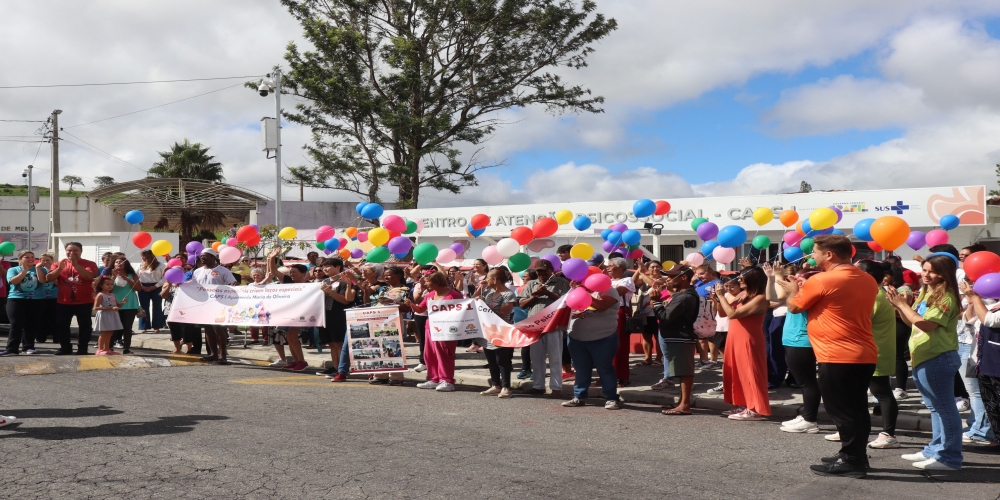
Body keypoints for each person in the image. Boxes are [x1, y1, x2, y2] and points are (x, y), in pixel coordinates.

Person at [779, 234, 878, 478]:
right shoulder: (866, 278)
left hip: (838, 354)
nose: (812, 256)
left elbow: (793, 306)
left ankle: (852, 461)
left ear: (829, 255)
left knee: (842, 412)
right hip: (863, 352)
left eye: (814, 251)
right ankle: (854, 455)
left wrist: (793, 289)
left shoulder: (823, 279)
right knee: (857, 409)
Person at [886, 254, 963, 471]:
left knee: (945, 409)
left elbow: (927, 325)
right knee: (935, 408)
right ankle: (935, 450)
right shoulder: (928, 292)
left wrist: (903, 305)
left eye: (931, 271)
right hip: (924, 355)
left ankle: (949, 457)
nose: (926, 275)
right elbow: (912, 322)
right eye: (924, 269)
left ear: (944, 273)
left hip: (938, 356)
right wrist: (899, 306)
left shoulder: (946, 296)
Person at [766, 263, 820, 434]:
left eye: (800, 278)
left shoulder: (808, 295)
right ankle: (806, 415)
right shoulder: (800, 293)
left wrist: (780, 278)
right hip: (793, 340)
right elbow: (772, 296)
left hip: (801, 341)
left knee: (807, 383)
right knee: (806, 383)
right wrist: (773, 277)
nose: (796, 280)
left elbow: (784, 298)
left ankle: (810, 420)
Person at [714, 267, 771, 421]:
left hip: (748, 338)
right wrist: (719, 299)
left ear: (752, 279)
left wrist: (721, 296)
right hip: (735, 336)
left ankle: (754, 408)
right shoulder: (743, 294)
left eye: (742, 277)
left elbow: (733, 314)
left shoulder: (760, 298)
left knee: (750, 372)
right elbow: (723, 313)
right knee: (736, 372)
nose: (739, 279)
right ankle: (742, 403)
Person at [856, 260, 900, 449]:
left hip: (876, 351)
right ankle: (853, 429)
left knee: (882, 392)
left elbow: (858, 321)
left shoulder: (874, 296)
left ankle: (889, 433)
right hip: (870, 350)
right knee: (860, 393)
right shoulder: (873, 293)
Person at [562, 279, 623, 410]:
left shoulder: (609, 290)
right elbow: (566, 312)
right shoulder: (575, 292)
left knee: (605, 369)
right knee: (581, 369)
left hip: (603, 337)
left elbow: (601, 306)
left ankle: (612, 398)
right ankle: (579, 396)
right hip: (576, 338)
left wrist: (582, 293)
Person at [651, 265, 700, 415]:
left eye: (672, 277)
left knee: (684, 371)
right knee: (680, 370)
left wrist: (656, 301)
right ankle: (681, 402)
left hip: (681, 337)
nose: (668, 279)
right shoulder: (681, 294)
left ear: (684, 277)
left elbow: (665, 317)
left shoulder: (685, 296)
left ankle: (684, 405)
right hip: (677, 336)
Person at [518, 259, 571, 395]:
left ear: (551, 270)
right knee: (536, 358)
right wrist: (536, 295)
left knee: (555, 357)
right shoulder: (531, 284)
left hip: (554, 325)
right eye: (538, 271)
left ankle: (556, 388)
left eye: (544, 271)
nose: (541, 274)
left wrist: (547, 293)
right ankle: (538, 386)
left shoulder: (561, 282)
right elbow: (522, 304)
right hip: (535, 326)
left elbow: (565, 301)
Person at [961, 278, 1000, 451]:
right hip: (982, 358)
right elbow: (971, 321)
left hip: (996, 360)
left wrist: (975, 297)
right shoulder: (991, 303)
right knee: (991, 401)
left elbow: (990, 320)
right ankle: (997, 437)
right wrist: (972, 302)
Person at [409, 271, 463, 392]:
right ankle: (434, 379)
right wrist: (411, 304)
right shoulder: (430, 295)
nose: (426, 285)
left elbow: (462, 311)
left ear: (437, 282)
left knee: (444, 354)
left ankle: (447, 380)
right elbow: (420, 309)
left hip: (448, 329)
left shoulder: (453, 294)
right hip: (430, 327)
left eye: (428, 283)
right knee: (430, 354)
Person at [48, 242, 98, 355]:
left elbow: (89, 276)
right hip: (63, 301)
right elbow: (50, 278)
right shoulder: (58, 264)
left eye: (75, 250)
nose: (72, 253)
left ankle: (83, 347)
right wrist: (59, 269)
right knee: (62, 325)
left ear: (81, 251)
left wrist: (75, 264)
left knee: (85, 325)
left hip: (84, 301)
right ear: (65, 251)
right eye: (69, 250)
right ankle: (65, 347)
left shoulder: (89, 263)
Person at [266, 248, 311, 371]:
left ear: (303, 273)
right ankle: (296, 361)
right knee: (289, 337)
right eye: (291, 272)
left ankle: (302, 361)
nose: (292, 274)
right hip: (288, 314)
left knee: (292, 336)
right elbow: (274, 271)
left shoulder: (310, 285)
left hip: (301, 315)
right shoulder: (287, 281)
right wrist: (272, 258)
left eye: (295, 272)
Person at [190, 248, 237, 365]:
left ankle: (223, 355)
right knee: (208, 329)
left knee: (219, 329)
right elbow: (194, 286)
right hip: (204, 304)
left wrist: (233, 285)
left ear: (213, 257)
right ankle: (213, 354)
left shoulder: (223, 271)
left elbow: (233, 284)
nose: (202, 258)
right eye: (201, 256)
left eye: (205, 256)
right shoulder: (197, 271)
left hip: (219, 304)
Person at [476, 268, 518, 398]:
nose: (485, 280)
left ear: (495, 280)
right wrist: (479, 292)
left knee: (502, 360)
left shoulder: (508, 295)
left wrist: (485, 305)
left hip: (501, 331)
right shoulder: (489, 293)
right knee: (491, 360)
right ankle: (495, 384)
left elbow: (502, 314)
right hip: (487, 331)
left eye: (487, 278)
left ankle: (506, 387)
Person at [1, 251, 46, 356]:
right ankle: (12, 349)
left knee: (31, 324)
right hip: (16, 299)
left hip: (36, 300)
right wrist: (23, 271)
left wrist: (38, 268)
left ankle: (28, 347)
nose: (30, 259)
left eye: (32, 257)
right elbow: (14, 281)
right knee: (16, 324)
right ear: (20, 259)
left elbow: (43, 281)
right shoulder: (13, 269)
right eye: (27, 257)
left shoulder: (41, 269)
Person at [370, 266, 408, 385]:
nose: (386, 277)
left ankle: (396, 377)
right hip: (378, 321)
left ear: (398, 276)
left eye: (389, 275)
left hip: (394, 321)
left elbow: (407, 307)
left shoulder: (405, 289)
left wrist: (392, 302)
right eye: (385, 275)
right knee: (379, 347)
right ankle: (381, 375)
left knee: (393, 348)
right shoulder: (384, 288)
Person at [704, 277, 741, 395]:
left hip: (732, 329)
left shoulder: (741, 296)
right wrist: (716, 300)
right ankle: (726, 383)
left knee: (732, 360)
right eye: (726, 286)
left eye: (732, 286)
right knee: (726, 360)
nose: (729, 288)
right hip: (720, 328)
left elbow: (729, 314)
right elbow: (718, 312)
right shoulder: (723, 296)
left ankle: (731, 383)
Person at [605, 257, 636, 387]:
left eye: (611, 266)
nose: (608, 268)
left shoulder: (627, 280)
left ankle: (622, 376)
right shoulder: (607, 281)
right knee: (604, 346)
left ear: (620, 268)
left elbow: (617, 292)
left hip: (620, 312)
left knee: (620, 345)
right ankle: (606, 376)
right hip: (604, 311)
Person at [105, 255, 141, 354]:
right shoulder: (109, 273)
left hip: (130, 304)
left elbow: (138, 288)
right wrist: (113, 277)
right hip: (114, 304)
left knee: (127, 327)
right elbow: (107, 288)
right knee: (113, 327)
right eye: (117, 262)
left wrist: (126, 278)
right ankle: (110, 347)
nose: (119, 263)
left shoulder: (131, 274)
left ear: (126, 264)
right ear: (113, 264)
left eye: (121, 262)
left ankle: (126, 348)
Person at [633, 260, 664, 366]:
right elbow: (632, 283)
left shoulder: (664, 279)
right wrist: (639, 270)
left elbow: (654, 284)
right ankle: (648, 358)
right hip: (644, 314)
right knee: (646, 336)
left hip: (658, 312)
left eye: (657, 267)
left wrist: (642, 272)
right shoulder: (642, 280)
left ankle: (659, 358)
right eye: (652, 267)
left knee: (658, 336)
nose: (655, 269)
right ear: (648, 269)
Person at [92, 276, 124, 356]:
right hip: (104, 315)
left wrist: (122, 303)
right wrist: (110, 308)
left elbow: (117, 306)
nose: (110, 286)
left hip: (112, 315)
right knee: (104, 332)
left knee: (110, 332)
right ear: (101, 285)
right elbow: (96, 307)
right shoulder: (100, 295)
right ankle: (100, 349)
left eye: (111, 284)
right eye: (107, 284)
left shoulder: (112, 295)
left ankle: (107, 349)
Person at [136, 250, 165, 333]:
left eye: (144, 256)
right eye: (142, 256)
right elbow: (135, 277)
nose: (142, 258)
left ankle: (157, 326)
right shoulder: (139, 265)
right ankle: (143, 326)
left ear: (150, 256)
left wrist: (155, 286)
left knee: (157, 306)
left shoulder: (161, 265)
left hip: (156, 286)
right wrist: (141, 287)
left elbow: (165, 278)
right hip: (143, 287)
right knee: (143, 306)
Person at [34, 253, 58, 346]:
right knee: (41, 318)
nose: (45, 262)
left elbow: (59, 283)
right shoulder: (38, 269)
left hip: (54, 296)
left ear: (52, 261)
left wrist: (50, 273)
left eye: (48, 260)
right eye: (43, 260)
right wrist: (39, 269)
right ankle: (40, 337)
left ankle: (57, 337)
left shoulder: (57, 269)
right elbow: (41, 281)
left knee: (55, 318)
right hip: (41, 297)